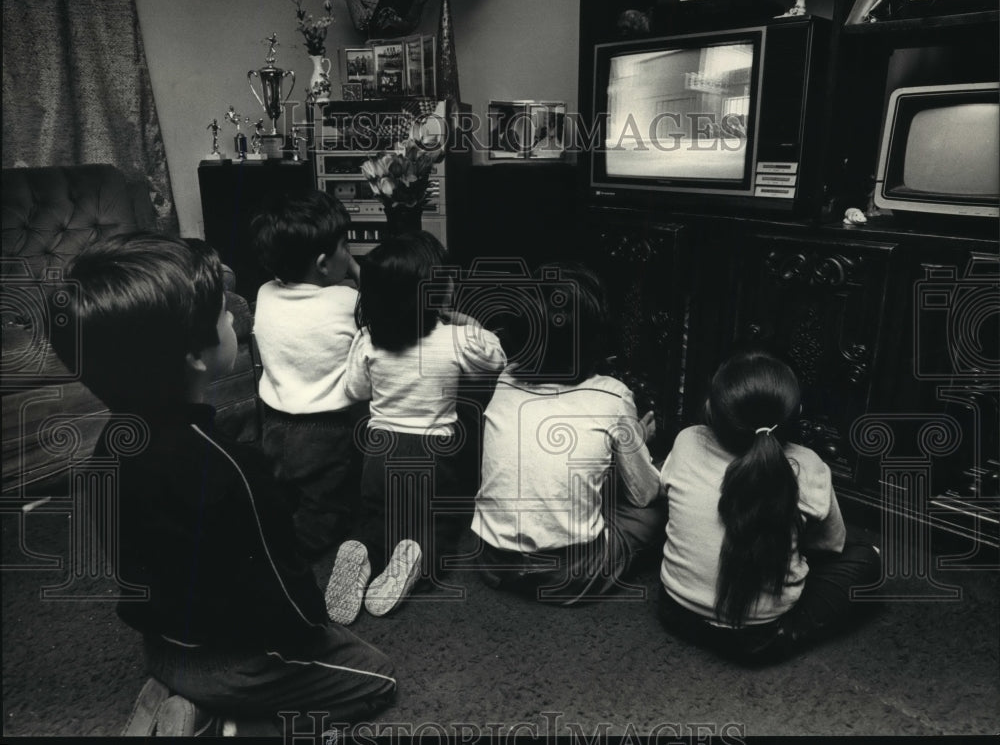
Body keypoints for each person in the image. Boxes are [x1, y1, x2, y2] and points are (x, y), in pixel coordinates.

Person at [49, 232, 395, 734]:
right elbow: (286, 595)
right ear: (194, 355)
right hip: (232, 660)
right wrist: (316, 633)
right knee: (377, 676)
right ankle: (226, 722)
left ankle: (173, 693)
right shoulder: (233, 467)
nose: (235, 317)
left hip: (161, 646)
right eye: (221, 312)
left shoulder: (109, 447)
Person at [327, 231, 506, 623]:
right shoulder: (457, 340)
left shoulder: (368, 340)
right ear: (437, 292)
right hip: (434, 455)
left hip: (379, 450)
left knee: (376, 517)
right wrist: (463, 321)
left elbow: (354, 389)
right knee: (435, 523)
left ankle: (362, 550)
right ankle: (418, 556)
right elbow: (496, 357)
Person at [657, 350, 882, 663]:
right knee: (866, 560)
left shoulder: (687, 440)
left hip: (675, 612)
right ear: (796, 413)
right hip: (756, 637)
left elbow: (664, 494)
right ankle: (785, 634)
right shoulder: (808, 464)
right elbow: (830, 546)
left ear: (712, 408)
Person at [471, 263, 665, 605]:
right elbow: (644, 494)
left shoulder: (504, 379)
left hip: (493, 560)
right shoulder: (614, 395)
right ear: (596, 340)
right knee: (653, 511)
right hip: (570, 575)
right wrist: (638, 439)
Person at [251, 191, 362, 557]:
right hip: (326, 432)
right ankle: (290, 553)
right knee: (327, 505)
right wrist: (360, 275)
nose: (350, 253)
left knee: (285, 488)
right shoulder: (351, 303)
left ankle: (270, 524)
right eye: (345, 246)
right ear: (323, 264)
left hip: (272, 423)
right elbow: (382, 301)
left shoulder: (265, 293)